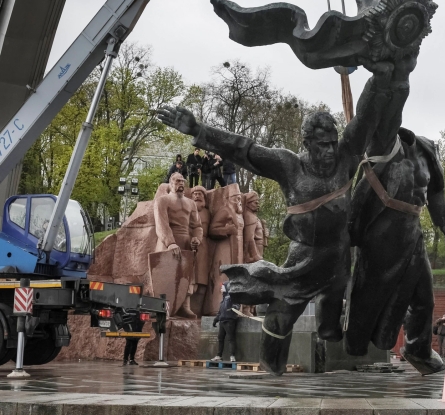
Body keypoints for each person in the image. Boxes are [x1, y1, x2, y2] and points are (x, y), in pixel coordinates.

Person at [156, 54, 396, 376]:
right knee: (277, 322)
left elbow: (366, 115)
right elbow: (244, 149)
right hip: (303, 261)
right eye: (322, 145)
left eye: (332, 144)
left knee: (329, 328)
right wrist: (199, 129)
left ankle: (335, 334)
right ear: (307, 143)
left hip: (338, 260)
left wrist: (382, 72)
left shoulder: (347, 156)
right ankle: (272, 375)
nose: (329, 151)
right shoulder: (289, 165)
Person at [153, 173, 203, 318]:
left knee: (186, 275)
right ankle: (163, 308)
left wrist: (197, 239)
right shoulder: (162, 201)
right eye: (177, 181)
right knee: (166, 274)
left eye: (183, 181)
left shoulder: (191, 203)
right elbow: (161, 224)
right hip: (167, 243)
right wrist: (170, 243)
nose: (180, 184)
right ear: (170, 183)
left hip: (186, 242)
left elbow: (197, 226)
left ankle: (184, 306)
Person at [211, 282, 240, 363]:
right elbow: (220, 311)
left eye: (222, 287)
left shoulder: (232, 297)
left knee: (231, 339)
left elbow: (237, 305)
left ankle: (232, 356)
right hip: (222, 321)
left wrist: (234, 307)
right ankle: (219, 355)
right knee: (220, 339)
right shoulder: (223, 299)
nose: (221, 289)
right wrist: (216, 319)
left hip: (230, 321)